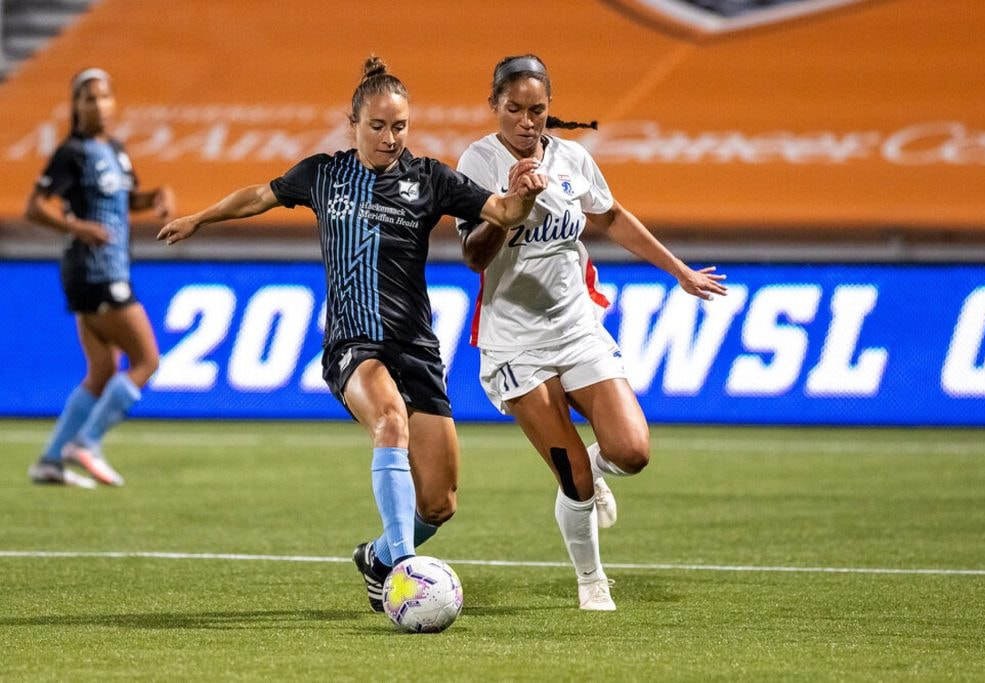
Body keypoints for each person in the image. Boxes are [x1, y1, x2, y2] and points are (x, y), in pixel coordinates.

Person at [157, 56, 546, 612]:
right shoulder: (324, 174)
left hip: (416, 347)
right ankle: (409, 576)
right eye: (378, 126)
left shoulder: (430, 179)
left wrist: (526, 196)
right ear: (353, 124)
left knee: (439, 503)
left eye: (400, 126)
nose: (390, 138)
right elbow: (259, 195)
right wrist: (201, 217)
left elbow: (503, 211)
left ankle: (381, 557)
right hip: (353, 344)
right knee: (389, 421)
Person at [456, 54, 728, 610]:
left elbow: (609, 216)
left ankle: (596, 472)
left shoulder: (572, 158)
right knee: (571, 473)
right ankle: (591, 580)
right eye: (514, 110)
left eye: (538, 110)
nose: (527, 122)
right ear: (494, 107)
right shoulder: (477, 162)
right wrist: (513, 206)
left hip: (577, 328)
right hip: (515, 343)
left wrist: (677, 270)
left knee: (632, 451)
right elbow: (474, 256)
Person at [26, 68, 175, 489]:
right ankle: (87, 442)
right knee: (147, 360)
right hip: (96, 269)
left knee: (102, 370)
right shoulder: (71, 152)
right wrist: (79, 228)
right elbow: (35, 206)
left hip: (104, 270)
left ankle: (51, 460)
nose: (98, 105)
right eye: (89, 98)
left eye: (105, 96)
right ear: (75, 106)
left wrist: (160, 196)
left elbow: (127, 199)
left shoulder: (115, 149)